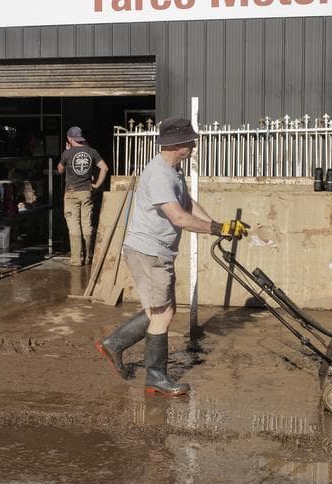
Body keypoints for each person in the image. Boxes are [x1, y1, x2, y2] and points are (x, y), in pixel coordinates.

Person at [94, 117, 248, 397]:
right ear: (176, 144)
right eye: (189, 141)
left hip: (156, 251)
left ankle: (114, 343)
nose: (192, 145)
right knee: (162, 314)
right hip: (149, 252)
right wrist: (216, 229)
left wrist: (219, 227)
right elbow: (178, 217)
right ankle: (155, 378)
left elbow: (188, 204)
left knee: (161, 310)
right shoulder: (160, 175)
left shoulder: (172, 171)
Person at [56, 126, 109, 266]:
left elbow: (60, 170)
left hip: (71, 193)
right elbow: (105, 167)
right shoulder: (92, 152)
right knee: (87, 224)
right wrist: (97, 185)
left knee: (74, 225)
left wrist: (66, 153)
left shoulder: (67, 154)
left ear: (70, 139)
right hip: (86, 192)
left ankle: (76, 259)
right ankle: (88, 256)